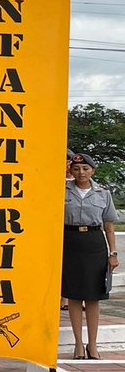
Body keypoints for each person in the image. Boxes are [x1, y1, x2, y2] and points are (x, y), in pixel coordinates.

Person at [63, 153, 119, 359]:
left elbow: (109, 226)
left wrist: (113, 253)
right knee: (74, 295)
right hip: (69, 243)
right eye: (76, 169)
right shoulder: (62, 192)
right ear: (71, 171)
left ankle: (92, 345)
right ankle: (78, 344)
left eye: (86, 169)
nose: (81, 173)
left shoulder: (103, 194)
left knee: (94, 297)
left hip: (94, 244)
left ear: (93, 171)